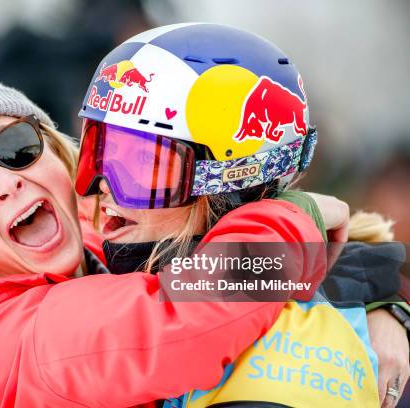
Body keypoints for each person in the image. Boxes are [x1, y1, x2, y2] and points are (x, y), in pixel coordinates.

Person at [0, 59, 327, 407]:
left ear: (55, 150)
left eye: (14, 146)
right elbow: (190, 313)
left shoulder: (102, 236)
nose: (5, 183)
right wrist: (296, 213)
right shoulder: (8, 344)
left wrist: (387, 308)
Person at [74, 23, 409, 407]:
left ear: (225, 184)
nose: (104, 185)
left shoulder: (283, 356)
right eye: (101, 152)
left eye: (146, 164)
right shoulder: (90, 260)